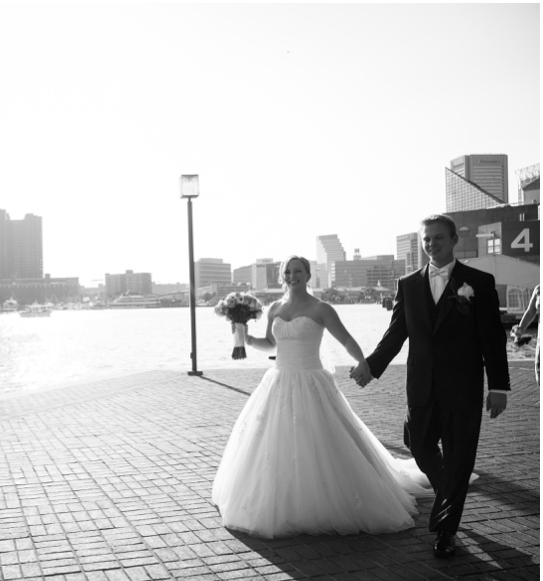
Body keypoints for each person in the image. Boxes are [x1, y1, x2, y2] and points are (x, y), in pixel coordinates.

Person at [212, 256, 434, 539]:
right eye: (287, 272)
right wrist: (244, 337)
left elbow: (346, 340)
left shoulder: (321, 308)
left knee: (320, 440)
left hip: (311, 381)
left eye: (298, 271)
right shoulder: (275, 308)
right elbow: (271, 344)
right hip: (279, 379)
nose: (292, 276)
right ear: (283, 277)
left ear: (308, 275)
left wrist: (363, 362)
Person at [351, 214, 509, 558]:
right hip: (421, 385)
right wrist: (371, 366)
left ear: (454, 240)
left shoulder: (478, 283)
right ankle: (448, 495)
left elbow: (492, 339)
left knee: (459, 457)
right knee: (419, 445)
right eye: (426, 239)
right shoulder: (407, 284)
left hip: (463, 388)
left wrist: (499, 386)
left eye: (438, 238)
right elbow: (396, 334)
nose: (431, 245)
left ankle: (445, 531)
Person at [513, 284, 540, 383]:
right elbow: (530, 312)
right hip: (541, 343)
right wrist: (519, 331)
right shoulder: (539, 290)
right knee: (539, 377)